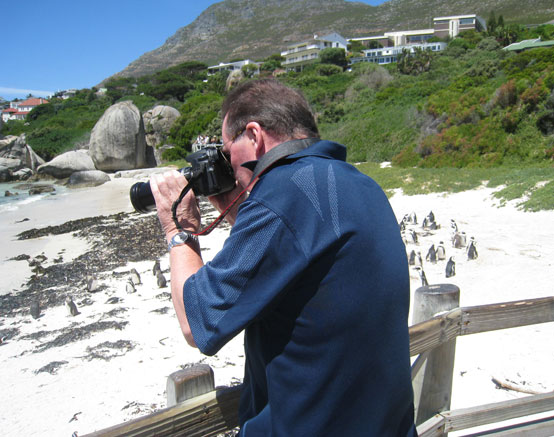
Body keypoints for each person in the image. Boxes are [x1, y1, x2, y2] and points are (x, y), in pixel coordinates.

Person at [150, 79, 416, 436]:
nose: (230, 166)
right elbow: (290, 256)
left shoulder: (282, 195)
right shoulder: (361, 184)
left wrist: (177, 228)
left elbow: (197, 322)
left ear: (254, 135)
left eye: (229, 152)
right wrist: (235, 208)